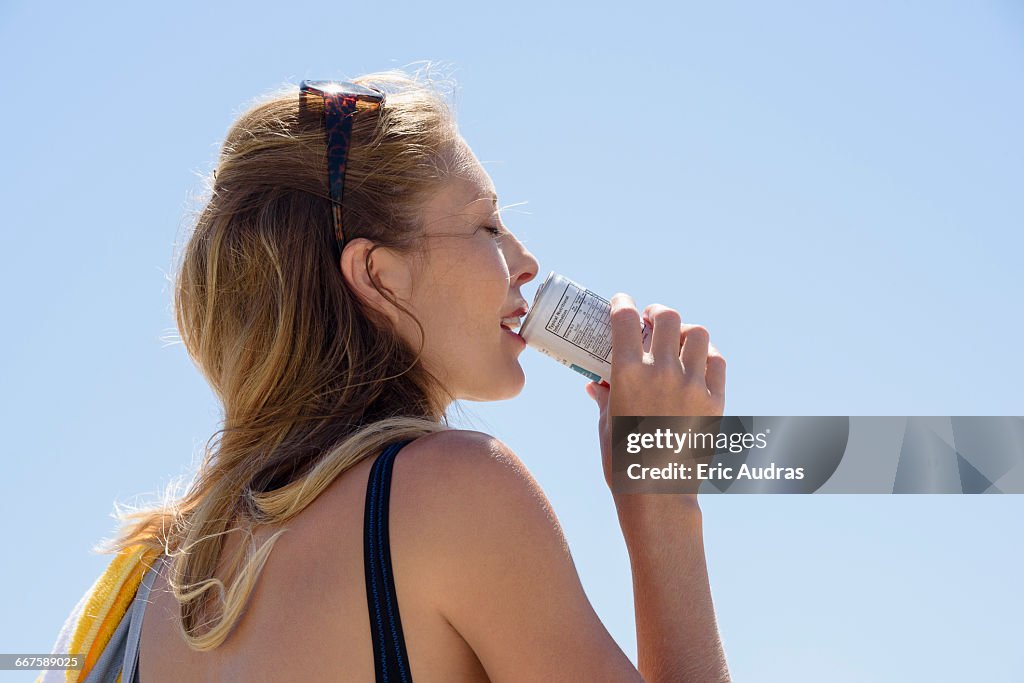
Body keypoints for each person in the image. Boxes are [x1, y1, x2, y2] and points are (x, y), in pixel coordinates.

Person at [52, 68, 730, 682]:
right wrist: (665, 501)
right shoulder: (456, 492)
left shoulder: (146, 589)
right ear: (379, 275)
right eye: (488, 226)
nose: (525, 261)